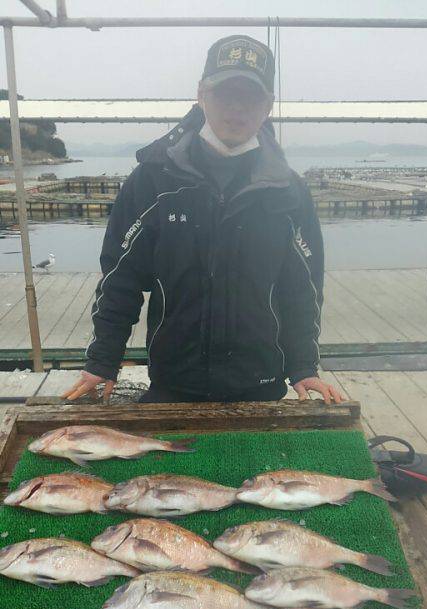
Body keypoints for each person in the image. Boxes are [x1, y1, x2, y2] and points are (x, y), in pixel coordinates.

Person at [63, 35, 343, 405]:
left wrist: (304, 366)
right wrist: (103, 360)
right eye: (225, 94)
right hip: (173, 380)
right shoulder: (153, 179)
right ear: (201, 95)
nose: (237, 109)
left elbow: (303, 289)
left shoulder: (288, 191)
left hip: (261, 384)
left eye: (251, 97)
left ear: (268, 106)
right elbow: (121, 278)